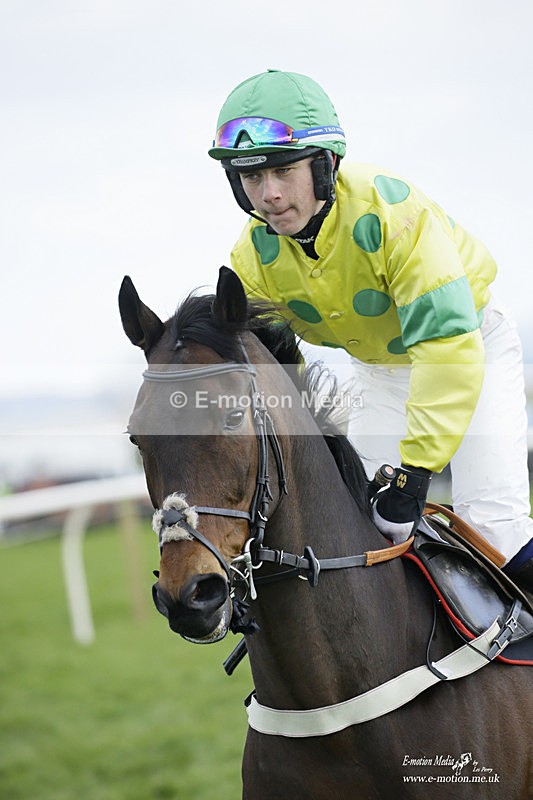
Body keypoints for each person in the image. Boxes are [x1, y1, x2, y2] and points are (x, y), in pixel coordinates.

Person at [208, 68, 533, 590]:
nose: (267, 195)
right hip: (381, 370)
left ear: (324, 164)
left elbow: (446, 349)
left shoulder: (395, 215)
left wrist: (415, 472)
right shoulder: (252, 258)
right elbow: (270, 371)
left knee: (494, 534)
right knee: (353, 523)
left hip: (470, 352)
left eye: (283, 171)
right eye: (251, 177)